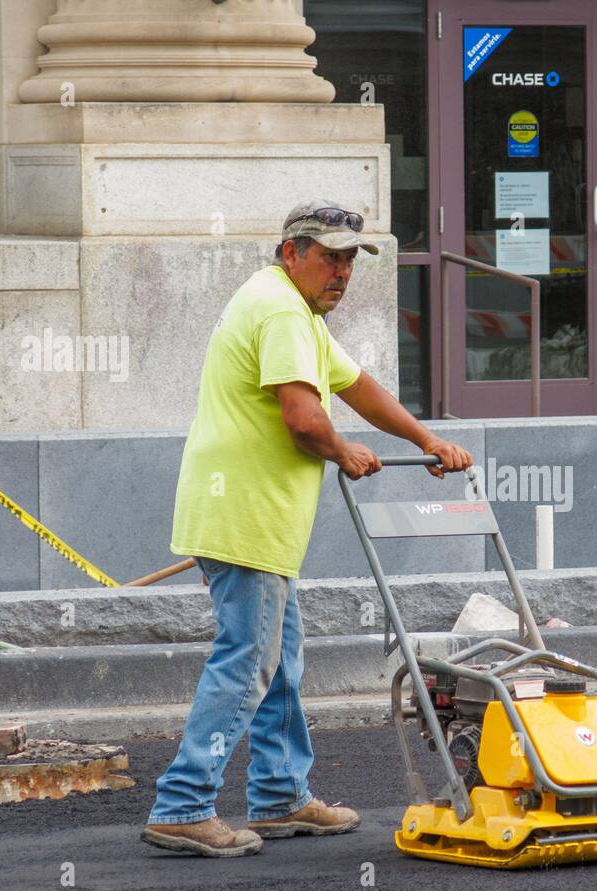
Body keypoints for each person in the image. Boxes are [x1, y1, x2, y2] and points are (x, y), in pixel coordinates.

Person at [142, 199, 473, 857]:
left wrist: (427, 438)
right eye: (329, 256)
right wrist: (345, 451)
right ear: (290, 251)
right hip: (246, 519)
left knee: (279, 661)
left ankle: (279, 794)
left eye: (351, 258)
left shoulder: (296, 314)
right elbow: (303, 415)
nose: (343, 271)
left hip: (251, 519)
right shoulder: (281, 311)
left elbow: (357, 387)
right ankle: (182, 803)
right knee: (248, 662)